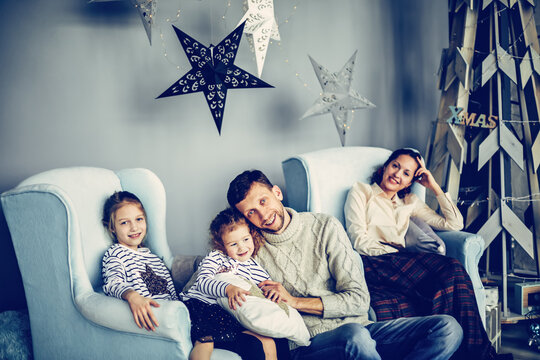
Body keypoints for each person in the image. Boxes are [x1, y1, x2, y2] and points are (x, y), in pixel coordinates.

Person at [227, 170, 463, 360]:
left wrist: (296, 301)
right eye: (251, 213)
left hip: (363, 330)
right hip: (309, 344)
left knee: (447, 328)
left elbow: (359, 300)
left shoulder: (324, 225)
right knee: (355, 336)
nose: (263, 214)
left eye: (263, 201)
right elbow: (207, 273)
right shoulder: (249, 249)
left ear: (277, 192)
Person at [343, 148, 511, 360]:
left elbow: (454, 223)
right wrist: (394, 252)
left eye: (406, 173)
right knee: (450, 267)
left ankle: (465, 352)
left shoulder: (409, 202)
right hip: (372, 260)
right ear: (385, 167)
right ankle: (481, 355)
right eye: (395, 166)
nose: (397, 174)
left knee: (448, 280)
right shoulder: (361, 191)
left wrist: (433, 186)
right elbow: (357, 238)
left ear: (409, 181)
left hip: (400, 262)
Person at [182, 207, 290, 360]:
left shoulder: (255, 267)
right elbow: (202, 282)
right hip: (201, 306)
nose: (242, 247)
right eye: (233, 244)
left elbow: (264, 290)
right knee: (205, 342)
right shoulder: (217, 257)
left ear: (252, 236)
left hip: (230, 315)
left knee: (270, 341)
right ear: (222, 245)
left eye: (245, 239)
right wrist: (228, 288)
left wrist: (273, 293)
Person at [101, 191, 178, 332]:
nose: (134, 227)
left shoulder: (154, 259)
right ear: (112, 227)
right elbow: (112, 283)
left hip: (174, 314)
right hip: (153, 316)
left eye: (139, 219)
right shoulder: (116, 253)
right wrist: (133, 296)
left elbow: (172, 294)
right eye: (124, 222)